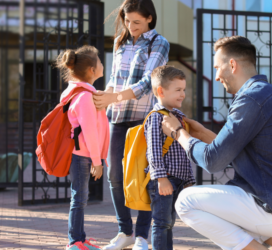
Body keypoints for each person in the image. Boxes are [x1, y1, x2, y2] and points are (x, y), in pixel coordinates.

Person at [161, 36, 272, 250]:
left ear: (233, 65)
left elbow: (212, 161)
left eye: (218, 67)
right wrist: (200, 133)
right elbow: (239, 150)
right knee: (229, 209)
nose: (217, 76)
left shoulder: (251, 99)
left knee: (186, 202)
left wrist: (177, 132)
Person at [94, 1, 170, 249]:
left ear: (149, 18)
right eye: (127, 21)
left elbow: (149, 82)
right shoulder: (120, 42)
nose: (131, 26)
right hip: (116, 117)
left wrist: (113, 97)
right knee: (115, 174)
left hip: (143, 118)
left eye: (136, 21)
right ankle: (124, 232)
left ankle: (141, 237)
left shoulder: (159, 42)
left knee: (144, 176)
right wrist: (103, 98)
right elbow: (115, 79)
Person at [56, 46, 109, 250]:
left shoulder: (82, 93)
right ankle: (74, 242)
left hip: (82, 154)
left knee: (80, 197)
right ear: (91, 70)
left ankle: (79, 238)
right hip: (82, 155)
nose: (103, 65)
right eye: (100, 62)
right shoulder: (85, 97)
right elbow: (89, 132)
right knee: (79, 198)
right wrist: (97, 162)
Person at [144, 66, 196, 250]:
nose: (183, 94)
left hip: (178, 180)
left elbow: (184, 151)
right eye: (178, 90)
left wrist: (189, 179)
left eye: (184, 89)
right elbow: (154, 150)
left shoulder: (179, 117)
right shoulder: (156, 117)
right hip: (164, 179)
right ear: (161, 91)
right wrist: (161, 178)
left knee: (169, 223)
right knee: (161, 222)